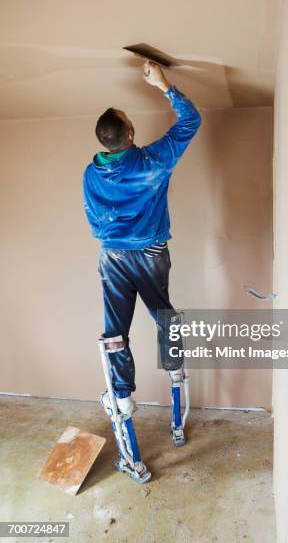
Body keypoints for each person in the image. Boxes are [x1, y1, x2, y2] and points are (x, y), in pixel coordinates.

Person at [82, 60, 201, 446]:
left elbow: (96, 224)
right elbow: (190, 122)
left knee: (115, 331)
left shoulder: (91, 174)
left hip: (112, 256)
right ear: (130, 134)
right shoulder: (151, 162)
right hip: (150, 252)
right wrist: (163, 85)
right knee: (163, 315)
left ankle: (122, 398)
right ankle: (176, 378)